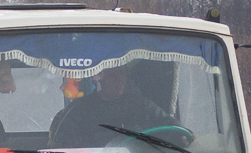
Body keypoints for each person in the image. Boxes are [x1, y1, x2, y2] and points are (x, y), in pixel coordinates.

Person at [48, 62, 176, 147]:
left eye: (122, 75)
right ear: (99, 78)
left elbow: (168, 124)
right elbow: (62, 151)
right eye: (114, 76)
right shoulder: (78, 112)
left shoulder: (140, 105)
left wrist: (187, 135)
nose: (120, 80)